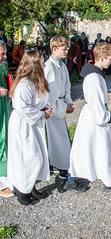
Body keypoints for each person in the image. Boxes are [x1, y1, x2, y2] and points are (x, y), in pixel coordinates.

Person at [67, 43, 111, 192]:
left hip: (94, 116)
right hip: (95, 119)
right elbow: (96, 105)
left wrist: (109, 115)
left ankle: (104, 179)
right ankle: (108, 182)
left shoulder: (96, 74)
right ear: (101, 58)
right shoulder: (94, 78)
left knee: (89, 149)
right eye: (109, 59)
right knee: (95, 149)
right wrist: (110, 118)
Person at [7, 51, 52, 205]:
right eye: (41, 62)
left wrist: (46, 108)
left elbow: (39, 100)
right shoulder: (24, 84)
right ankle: (21, 191)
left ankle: (30, 186)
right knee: (28, 158)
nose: (44, 64)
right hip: (23, 125)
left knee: (37, 156)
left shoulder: (35, 81)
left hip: (33, 124)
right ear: (34, 65)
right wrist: (41, 114)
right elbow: (22, 108)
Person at [44, 35, 75, 192]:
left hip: (61, 103)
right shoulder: (49, 66)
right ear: (54, 49)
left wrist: (68, 101)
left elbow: (66, 84)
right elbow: (50, 93)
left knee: (63, 138)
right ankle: (60, 166)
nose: (67, 51)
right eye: (64, 49)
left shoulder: (61, 65)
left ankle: (63, 164)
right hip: (53, 108)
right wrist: (62, 107)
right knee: (58, 139)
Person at [0, 42, 13, 198]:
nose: (5, 56)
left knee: (6, 139)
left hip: (4, 108)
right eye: (2, 54)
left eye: (5, 53)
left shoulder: (3, 65)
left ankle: (6, 176)